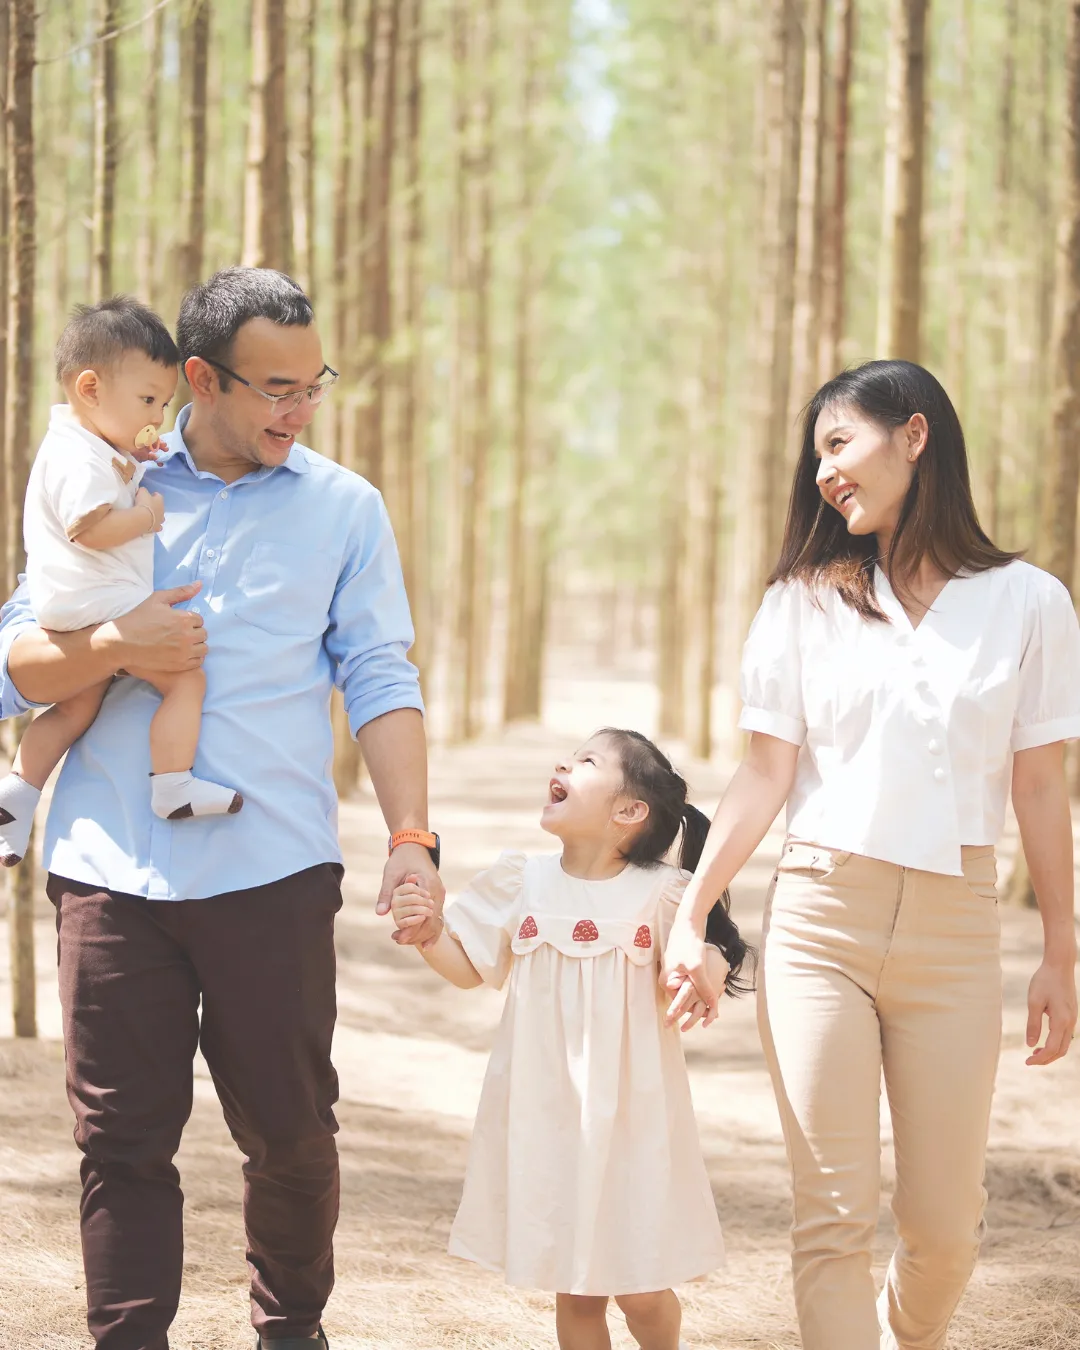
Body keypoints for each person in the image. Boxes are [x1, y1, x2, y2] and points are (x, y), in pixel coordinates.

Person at [0, 267, 443, 1350]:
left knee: (291, 1135)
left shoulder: (345, 508)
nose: (298, 410)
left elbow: (381, 677)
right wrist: (111, 647)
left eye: (313, 385)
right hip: (112, 874)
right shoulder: (103, 489)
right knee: (119, 1145)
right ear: (199, 377)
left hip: (273, 873)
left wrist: (412, 838)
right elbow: (15, 669)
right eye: (274, 388)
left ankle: (291, 1331)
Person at [662, 359, 1080, 1350]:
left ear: (917, 435)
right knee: (833, 1220)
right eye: (816, 458)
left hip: (956, 930)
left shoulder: (1029, 602)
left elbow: (1038, 786)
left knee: (945, 1234)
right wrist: (691, 912)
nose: (824, 474)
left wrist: (1061, 950)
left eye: (839, 444)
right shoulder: (802, 602)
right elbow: (764, 775)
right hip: (820, 920)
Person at [391, 728, 750, 1350]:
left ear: (628, 811)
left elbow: (709, 952)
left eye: (586, 761)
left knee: (641, 1288)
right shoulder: (521, 879)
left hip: (634, 1123)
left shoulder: (662, 895)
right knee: (577, 1289)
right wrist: (427, 934)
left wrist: (706, 973)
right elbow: (467, 966)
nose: (562, 762)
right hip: (550, 1116)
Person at [0, 297, 242, 869]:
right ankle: (173, 785)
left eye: (162, 403)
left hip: (72, 606)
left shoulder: (84, 447)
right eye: (148, 400)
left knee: (74, 707)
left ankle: (16, 796)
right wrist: (148, 516)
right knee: (185, 679)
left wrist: (132, 456)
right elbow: (90, 527)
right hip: (98, 600)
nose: (156, 416)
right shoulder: (79, 461)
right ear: (90, 389)